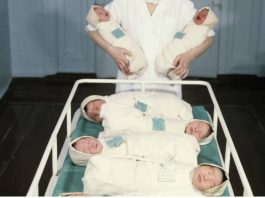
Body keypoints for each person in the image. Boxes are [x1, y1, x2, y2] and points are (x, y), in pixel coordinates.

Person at [86, 0, 215, 97]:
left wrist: (189, 56)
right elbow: (92, 27)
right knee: (127, 125)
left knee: (166, 126)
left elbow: (208, 36)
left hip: (167, 81)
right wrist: (112, 51)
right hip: (131, 78)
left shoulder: (182, 4)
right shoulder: (123, 2)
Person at [80, 93, 214, 145]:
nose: (99, 112)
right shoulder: (110, 123)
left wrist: (147, 110)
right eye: (95, 116)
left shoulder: (117, 99)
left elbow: (142, 101)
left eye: (97, 106)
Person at [82, 155, 229, 196]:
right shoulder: (188, 166)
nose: (206, 177)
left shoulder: (187, 193)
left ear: (208, 191)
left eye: (211, 183)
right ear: (202, 165)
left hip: (136, 185)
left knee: (96, 180)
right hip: (136, 166)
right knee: (100, 162)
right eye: (209, 171)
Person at [155, 7, 219, 80]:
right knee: (166, 56)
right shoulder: (191, 23)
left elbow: (210, 37)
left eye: (204, 16)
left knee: (173, 61)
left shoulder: (184, 5)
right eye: (200, 13)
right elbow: (181, 34)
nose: (200, 15)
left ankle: (173, 73)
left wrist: (190, 56)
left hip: (179, 52)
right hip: (141, 76)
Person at [86, 5, 148, 79]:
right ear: (97, 19)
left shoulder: (110, 20)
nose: (104, 11)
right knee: (130, 57)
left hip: (159, 72)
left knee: (136, 53)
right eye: (100, 13)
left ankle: (136, 68)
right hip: (123, 48)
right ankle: (132, 71)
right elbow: (90, 28)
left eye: (103, 10)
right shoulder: (102, 25)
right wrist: (111, 50)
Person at [69, 132, 199, 166]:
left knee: (178, 140)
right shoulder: (104, 160)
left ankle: (187, 144)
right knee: (178, 148)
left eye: (86, 141)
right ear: (87, 159)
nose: (90, 144)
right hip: (148, 154)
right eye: (86, 151)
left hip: (151, 140)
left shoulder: (106, 138)